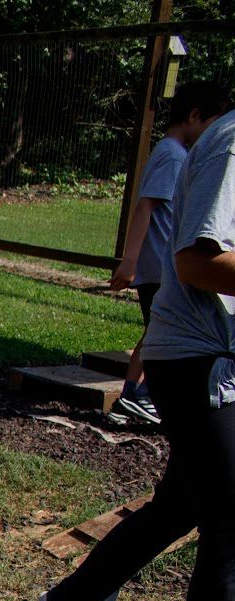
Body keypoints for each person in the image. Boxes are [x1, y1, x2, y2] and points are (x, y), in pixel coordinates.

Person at [40, 104, 235, 601]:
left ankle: (77, 597)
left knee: (181, 502)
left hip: (213, 358)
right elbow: (196, 262)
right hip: (199, 356)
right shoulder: (230, 140)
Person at [110, 83, 229, 424]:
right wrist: (130, 260)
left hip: (164, 266)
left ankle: (135, 393)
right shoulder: (173, 155)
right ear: (194, 116)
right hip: (161, 268)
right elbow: (145, 205)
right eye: (215, 122)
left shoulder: (176, 154)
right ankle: (134, 394)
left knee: (152, 332)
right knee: (155, 333)